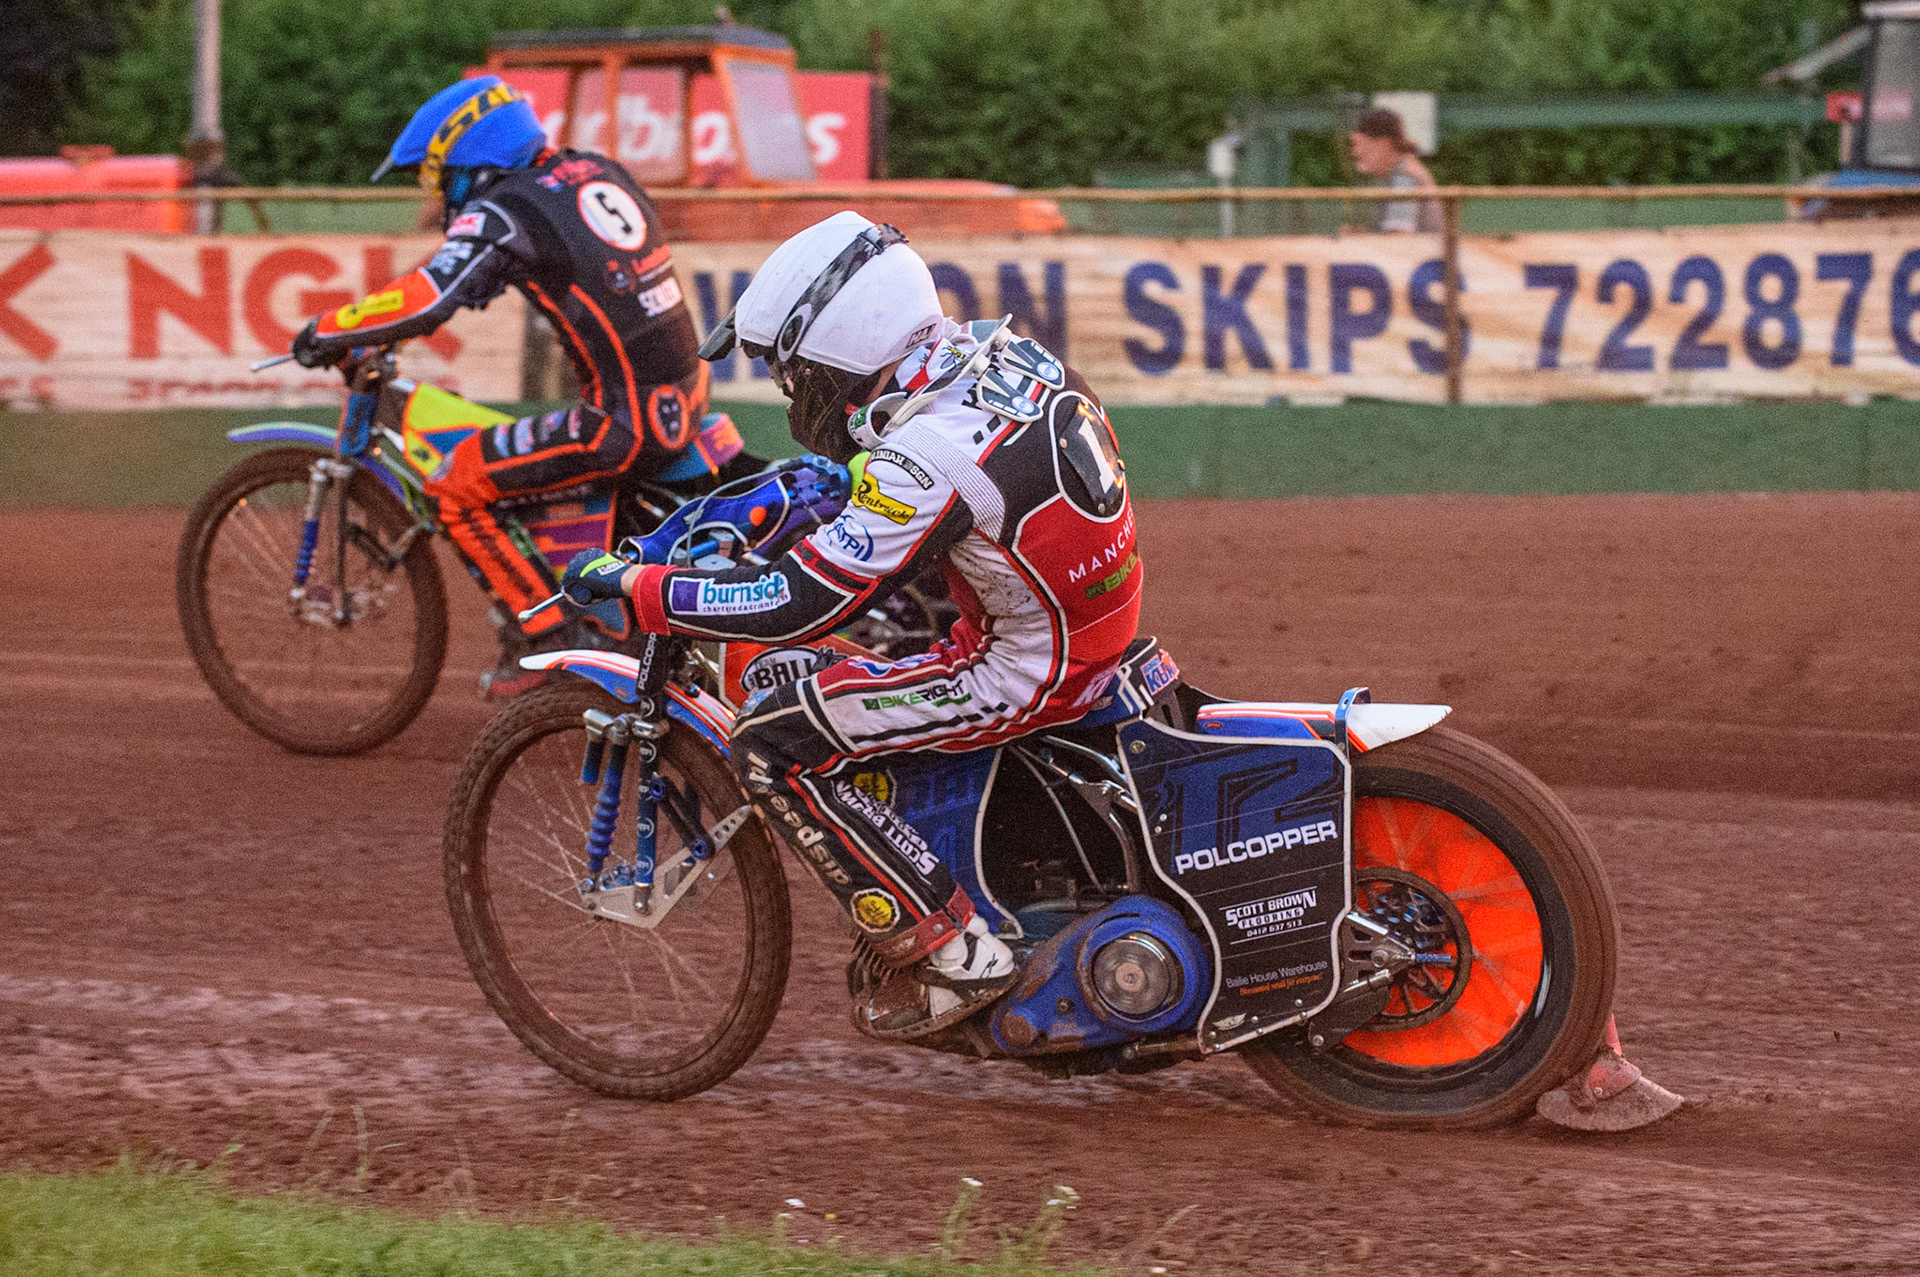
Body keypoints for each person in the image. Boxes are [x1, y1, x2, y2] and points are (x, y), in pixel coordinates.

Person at [560, 212, 1145, 1040]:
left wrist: (646, 589)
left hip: (1025, 665)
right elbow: (929, 486)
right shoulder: (1000, 355)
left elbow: (795, 601)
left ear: (838, 350)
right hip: (1079, 617)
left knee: (772, 736)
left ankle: (951, 951)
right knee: (834, 674)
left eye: (793, 372)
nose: (791, 392)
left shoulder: (925, 456)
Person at [291, 76, 748, 692]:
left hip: (623, 423)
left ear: (469, 158)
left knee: (455, 481)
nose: (442, 197)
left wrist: (329, 329)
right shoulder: (594, 170)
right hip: (686, 397)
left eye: (440, 179)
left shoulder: (505, 210)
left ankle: (548, 638)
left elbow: (430, 296)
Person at [1348, 107, 1441, 234]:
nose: (1355, 152)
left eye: (1358, 144)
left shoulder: (1405, 176)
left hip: (1424, 247)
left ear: (1382, 144)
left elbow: (1399, 236)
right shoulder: (1394, 174)